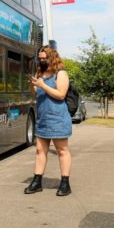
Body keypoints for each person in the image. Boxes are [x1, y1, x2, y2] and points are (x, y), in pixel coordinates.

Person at [24, 45, 73, 197]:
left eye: (44, 58)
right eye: (40, 58)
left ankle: (65, 183)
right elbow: (36, 95)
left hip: (57, 118)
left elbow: (61, 95)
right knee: (40, 150)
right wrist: (34, 86)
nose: (41, 60)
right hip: (43, 118)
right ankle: (37, 181)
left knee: (62, 150)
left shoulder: (61, 73)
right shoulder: (40, 73)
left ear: (52, 57)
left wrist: (43, 85)